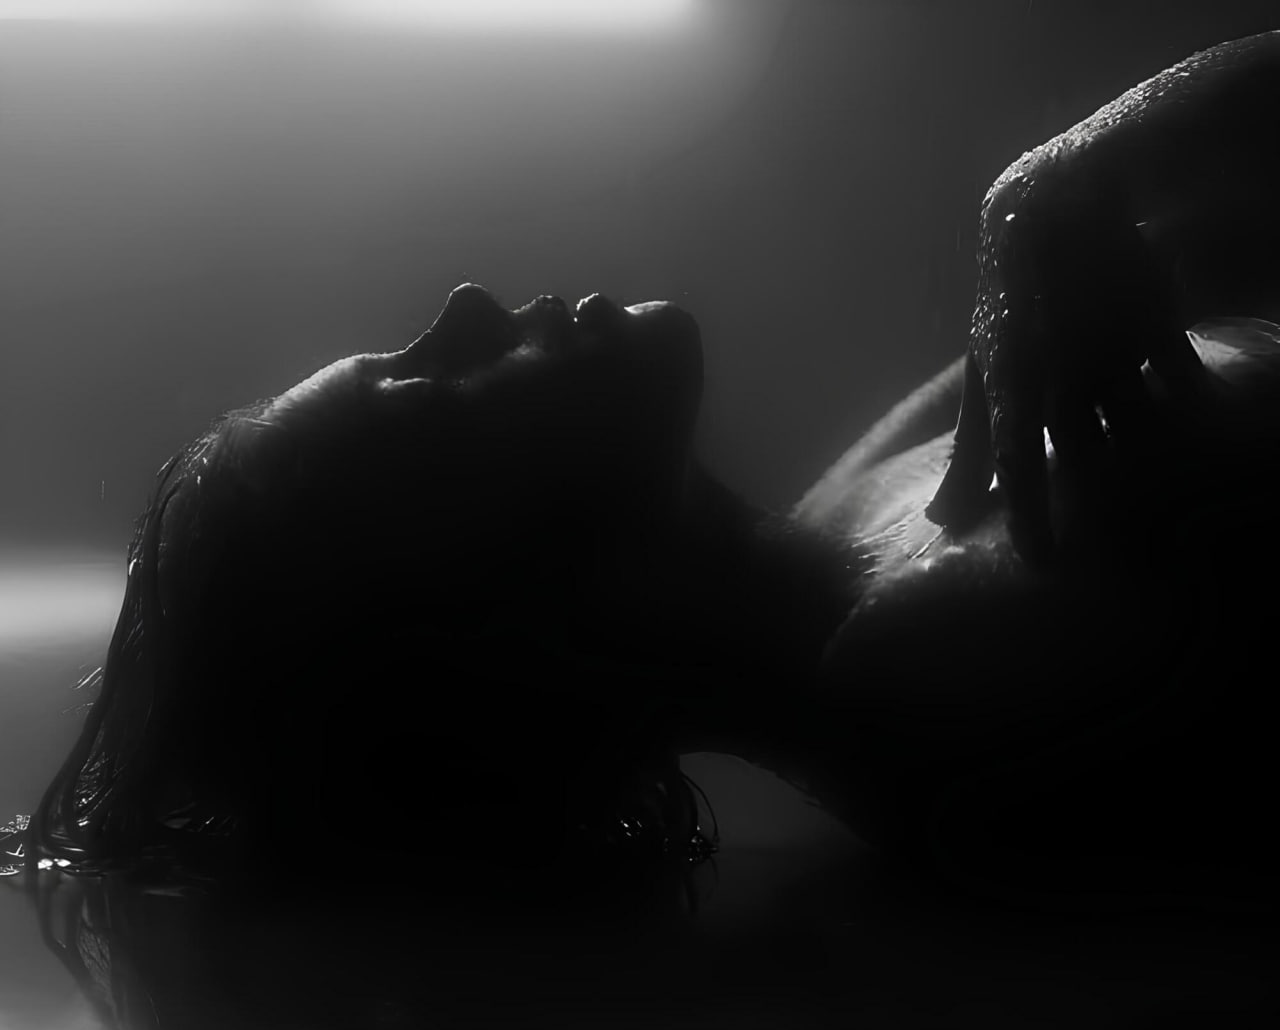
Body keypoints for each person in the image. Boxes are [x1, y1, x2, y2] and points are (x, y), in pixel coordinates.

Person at [22, 31, 1280, 906]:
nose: (466, 303)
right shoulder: (943, 664)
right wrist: (1059, 184)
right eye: (431, 383)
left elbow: (1196, 257)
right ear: (493, 605)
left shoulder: (839, 527)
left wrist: (1095, 208)